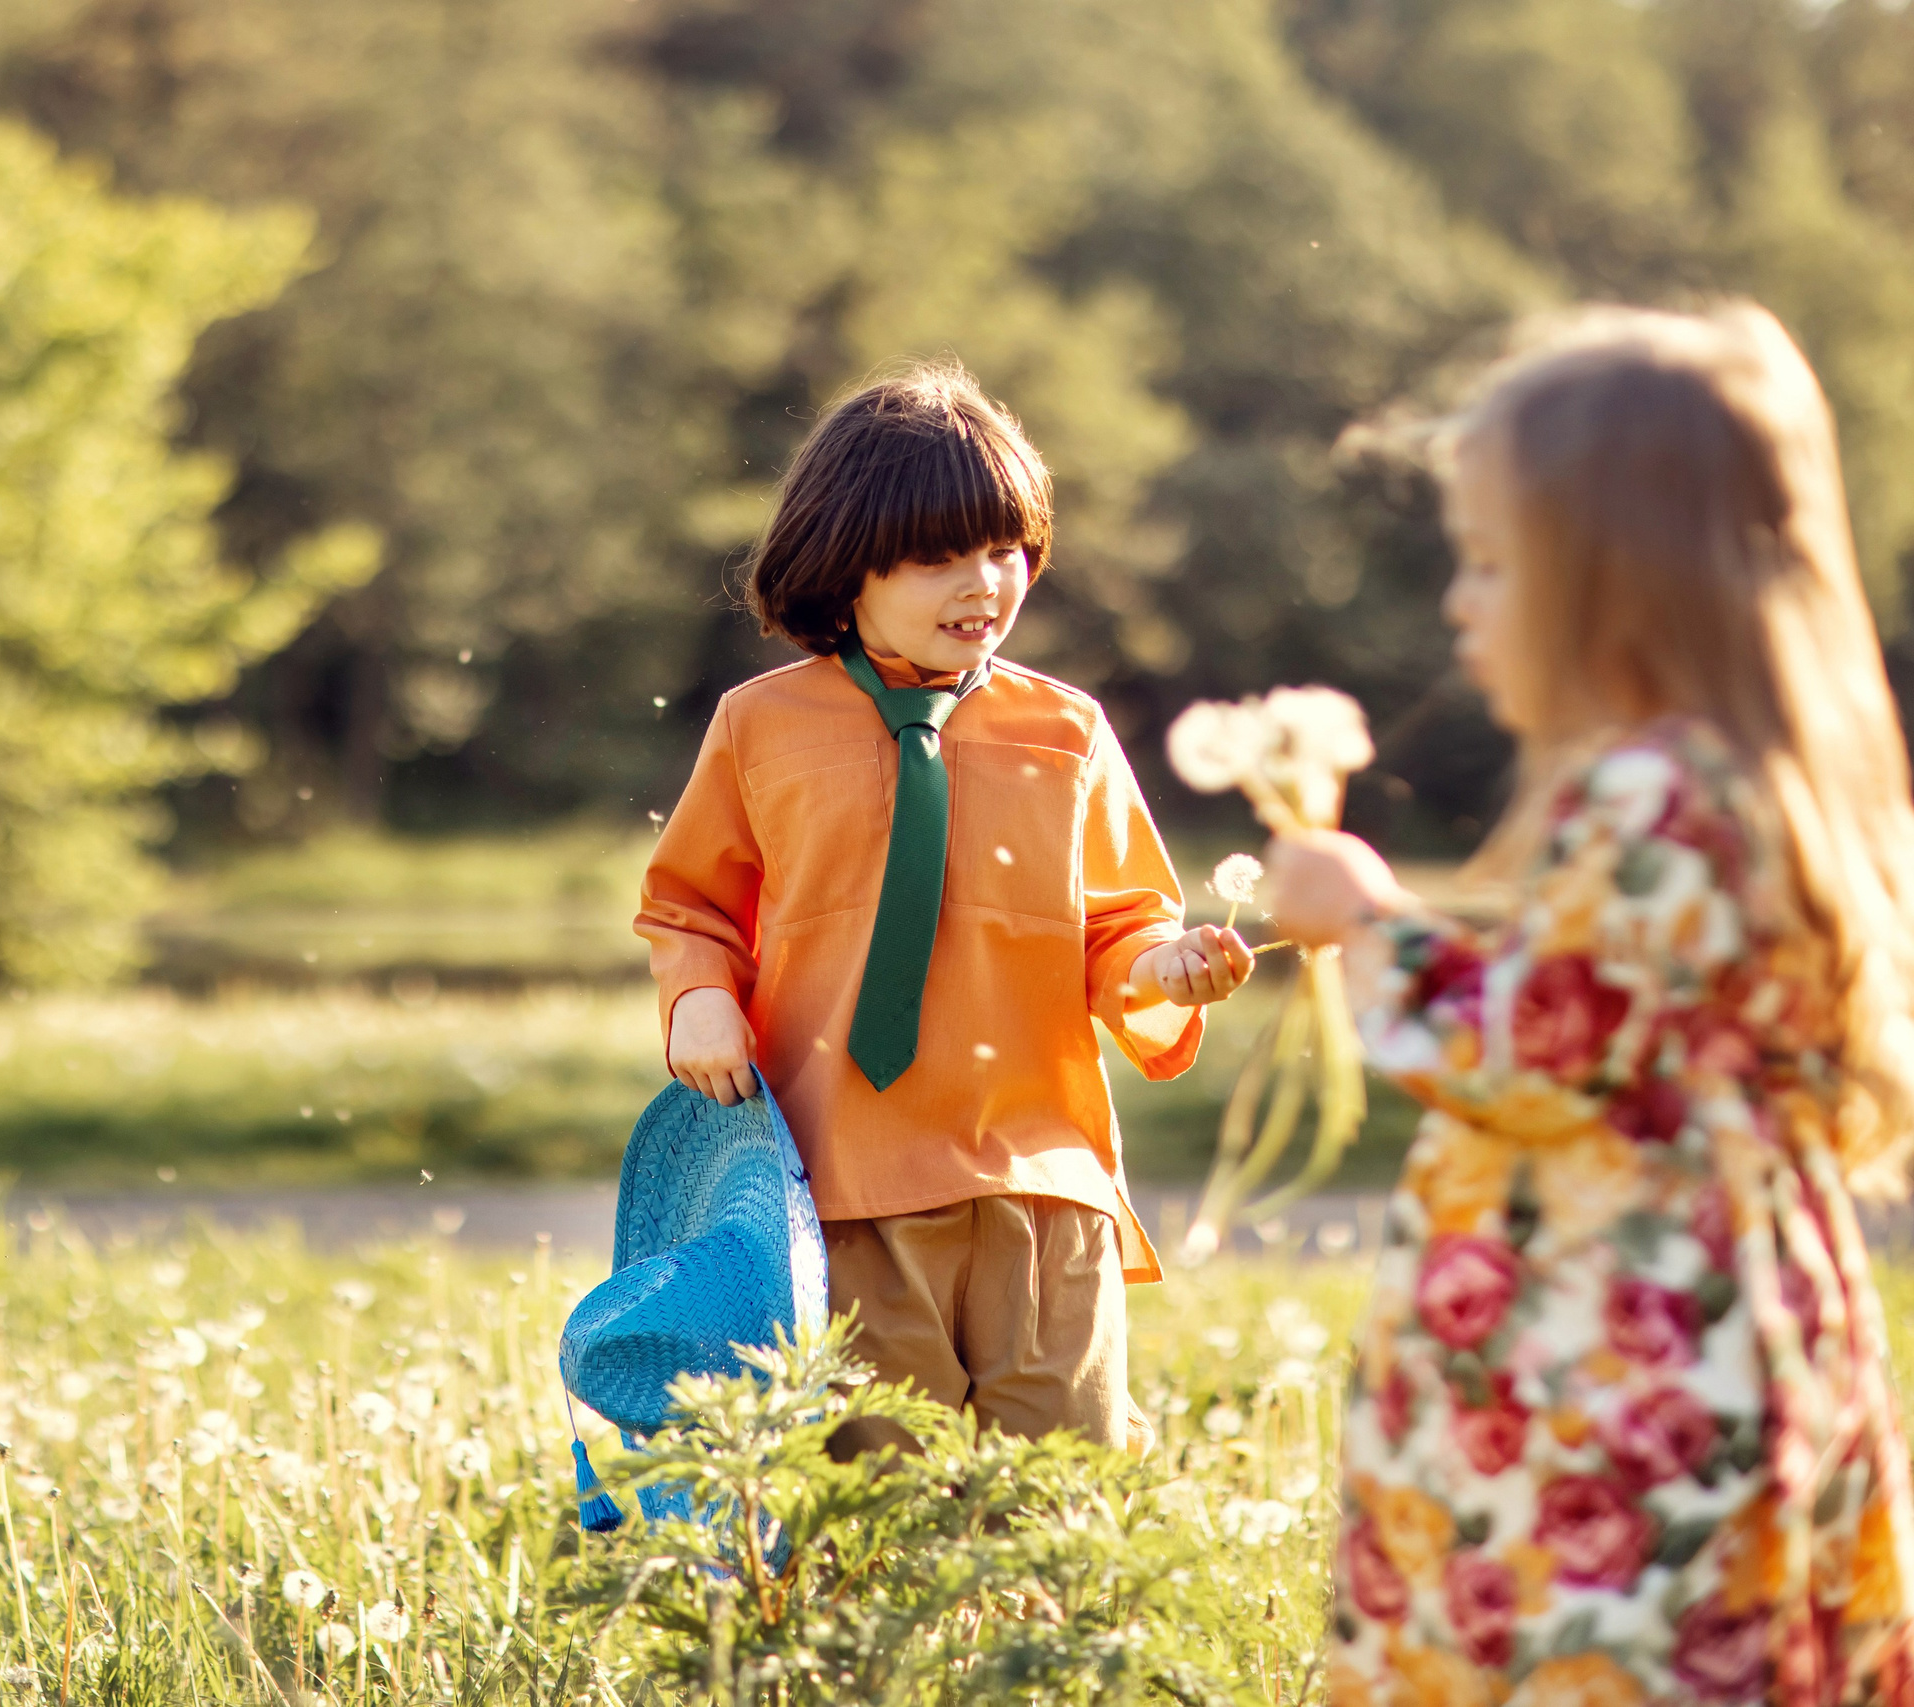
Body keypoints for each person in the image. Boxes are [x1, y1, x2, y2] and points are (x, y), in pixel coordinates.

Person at [1268, 305, 1914, 1706]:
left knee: (1599, 1642)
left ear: (1618, 578)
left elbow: (1532, 1055)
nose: (1460, 604)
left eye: (1496, 564)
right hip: (1717, 1305)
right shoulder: (1742, 777)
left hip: (1615, 1352)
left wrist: (1366, 920)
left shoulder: (1655, 793)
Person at [635, 361, 1253, 1457]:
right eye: (937, 558)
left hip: (1042, 1174)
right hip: (847, 1180)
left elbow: (1121, 923)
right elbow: (691, 906)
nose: (984, 584)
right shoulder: (759, 726)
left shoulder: (1065, 731)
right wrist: (696, 1000)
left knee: (1063, 1483)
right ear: (843, 568)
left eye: (1005, 550)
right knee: (880, 1498)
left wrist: (1164, 969)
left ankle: (1046, 1639)